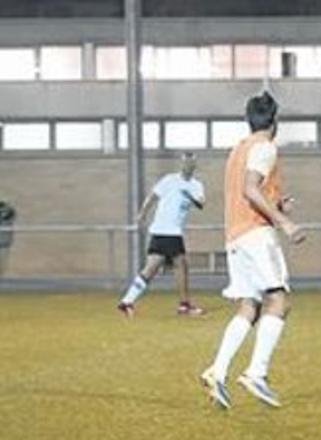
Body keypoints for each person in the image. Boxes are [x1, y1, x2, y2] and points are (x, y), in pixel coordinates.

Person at [200, 91, 305, 410]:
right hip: (256, 235)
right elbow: (249, 189)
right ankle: (256, 374)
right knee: (279, 300)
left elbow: (247, 189)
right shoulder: (265, 147)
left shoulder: (239, 149)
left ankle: (217, 372)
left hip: (235, 235)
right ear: (275, 122)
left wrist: (274, 204)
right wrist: (283, 220)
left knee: (250, 305)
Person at [116, 153, 207, 317]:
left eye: (191, 162)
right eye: (185, 162)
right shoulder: (169, 180)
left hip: (166, 232)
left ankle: (126, 301)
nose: (187, 165)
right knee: (181, 266)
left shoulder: (196, 185)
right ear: (181, 164)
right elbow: (152, 196)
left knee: (151, 269)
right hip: (166, 231)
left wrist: (190, 196)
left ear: (194, 165)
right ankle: (184, 305)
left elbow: (201, 203)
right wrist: (142, 213)